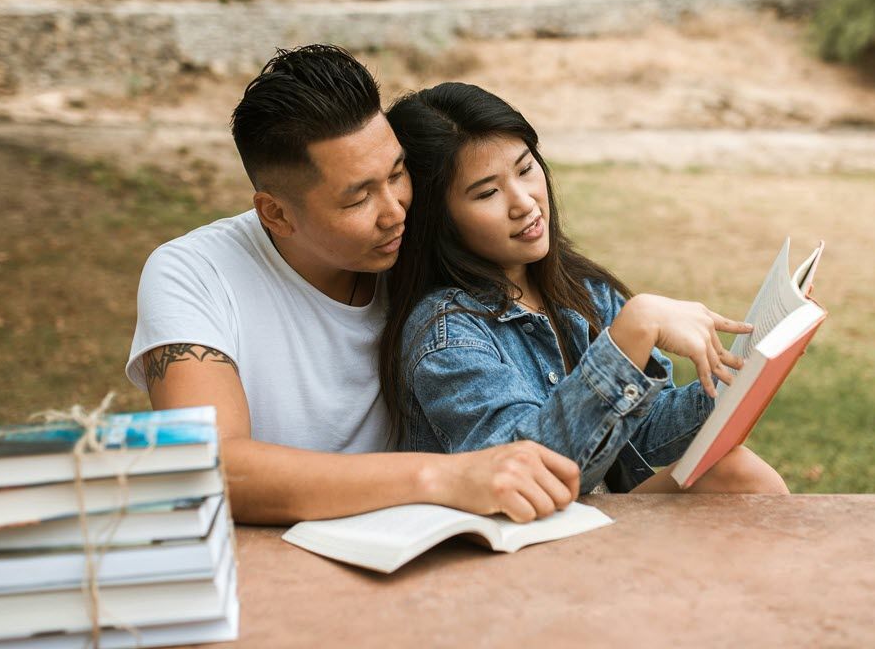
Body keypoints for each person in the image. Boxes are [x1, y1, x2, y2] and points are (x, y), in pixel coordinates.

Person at [127, 46, 581, 525]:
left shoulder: (424, 247)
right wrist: (442, 477)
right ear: (275, 213)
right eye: (359, 198)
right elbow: (210, 466)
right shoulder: (195, 273)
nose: (396, 210)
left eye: (397, 173)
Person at [380, 82, 789, 494]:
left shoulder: (582, 289)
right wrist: (632, 333)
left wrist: (741, 380)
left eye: (525, 169)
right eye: (487, 192)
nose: (524, 202)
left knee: (732, 469)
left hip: (587, 521)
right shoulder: (447, 334)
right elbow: (525, 475)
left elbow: (643, 433)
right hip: (517, 541)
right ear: (440, 221)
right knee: (735, 476)